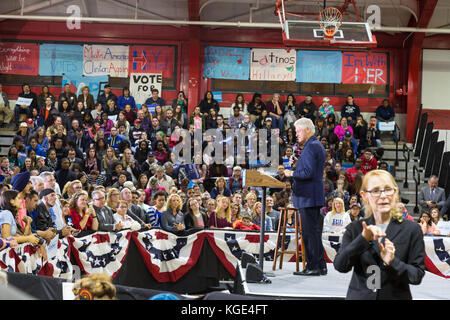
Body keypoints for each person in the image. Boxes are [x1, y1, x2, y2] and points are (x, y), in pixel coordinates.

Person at [333, 169, 426, 300]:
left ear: (395, 193)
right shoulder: (355, 229)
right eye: (376, 191)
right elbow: (340, 265)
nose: (383, 195)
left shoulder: (412, 229)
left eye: (388, 189)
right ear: (364, 195)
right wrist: (362, 240)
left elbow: (416, 276)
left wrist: (393, 262)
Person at [284, 118, 327, 276]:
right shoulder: (315, 145)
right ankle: (321, 266)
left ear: (307, 129)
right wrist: (298, 163)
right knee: (314, 233)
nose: (295, 134)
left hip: (307, 197)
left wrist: (291, 172)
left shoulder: (311, 147)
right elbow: (311, 169)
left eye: (298, 131)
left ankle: (313, 266)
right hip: (312, 196)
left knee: (309, 233)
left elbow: (307, 173)